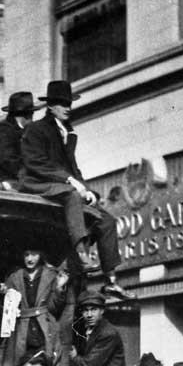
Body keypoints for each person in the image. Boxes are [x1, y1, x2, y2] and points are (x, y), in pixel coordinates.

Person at [18, 79, 131, 300]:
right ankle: (81, 254)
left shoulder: (68, 132)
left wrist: (87, 190)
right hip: (35, 182)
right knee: (72, 196)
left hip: (61, 184)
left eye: (69, 103)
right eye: (62, 103)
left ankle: (111, 281)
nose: (67, 107)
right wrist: (71, 181)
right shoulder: (36, 129)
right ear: (50, 106)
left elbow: (72, 167)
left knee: (106, 220)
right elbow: (36, 163)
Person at [0, 247, 67, 366]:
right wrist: (4, 297)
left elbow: (53, 308)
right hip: (21, 331)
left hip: (44, 329)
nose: (30, 259)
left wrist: (59, 289)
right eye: (26, 254)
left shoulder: (51, 275)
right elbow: (6, 311)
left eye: (34, 254)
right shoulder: (14, 277)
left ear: (41, 254)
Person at [0, 91, 34, 188]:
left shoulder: (23, 130)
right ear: (28, 115)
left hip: (18, 178)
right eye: (31, 113)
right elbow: (8, 161)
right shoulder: (3, 131)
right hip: (2, 180)